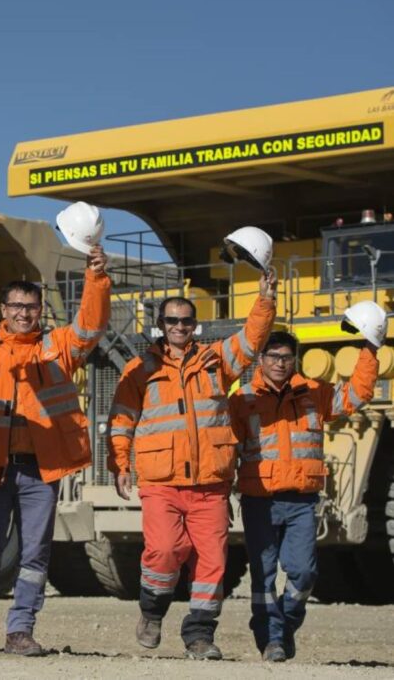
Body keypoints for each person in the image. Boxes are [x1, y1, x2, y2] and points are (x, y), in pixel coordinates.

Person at [0, 245, 110, 655]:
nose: (24, 314)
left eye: (31, 307)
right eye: (17, 306)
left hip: (39, 472)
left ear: (40, 311)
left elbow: (91, 324)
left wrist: (96, 279)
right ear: (3, 309)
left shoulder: (58, 348)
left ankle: (20, 630)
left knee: (35, 553)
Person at [107, 269, 277, 660]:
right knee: (165, 550)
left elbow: (252, 340)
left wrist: (265, 299)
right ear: (161, 326)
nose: (179, 326)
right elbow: (121, 420)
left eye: (186, 320)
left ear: (194, 325)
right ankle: (152, 612)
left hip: (210, 483)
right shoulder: (140, 370)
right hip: (161, 481)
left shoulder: (216, 360)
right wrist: (120, 464)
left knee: (212, 562)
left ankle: (200, 635)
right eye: (172, 320)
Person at [230, 331, 378, 662]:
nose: (280, 363)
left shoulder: (314, 393)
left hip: (301, 501)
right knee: (263, 574)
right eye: (273, 357)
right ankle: (271, 640)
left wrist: (371, 348)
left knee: (304, 573)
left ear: (294, 359)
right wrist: (222, 491)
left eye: (286, 357)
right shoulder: (242, 399)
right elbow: (227, 450)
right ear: (261, 359)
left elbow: (357, 393)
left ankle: (284, 624)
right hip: (260, 501)